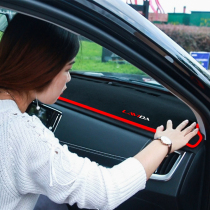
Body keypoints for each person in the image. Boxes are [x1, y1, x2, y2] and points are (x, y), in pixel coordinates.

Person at [0, 14, 198, 210]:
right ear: (41, 68)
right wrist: (164, 143)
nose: (69, 79)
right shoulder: (22, 133)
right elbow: (104, 191)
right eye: (67, 69)